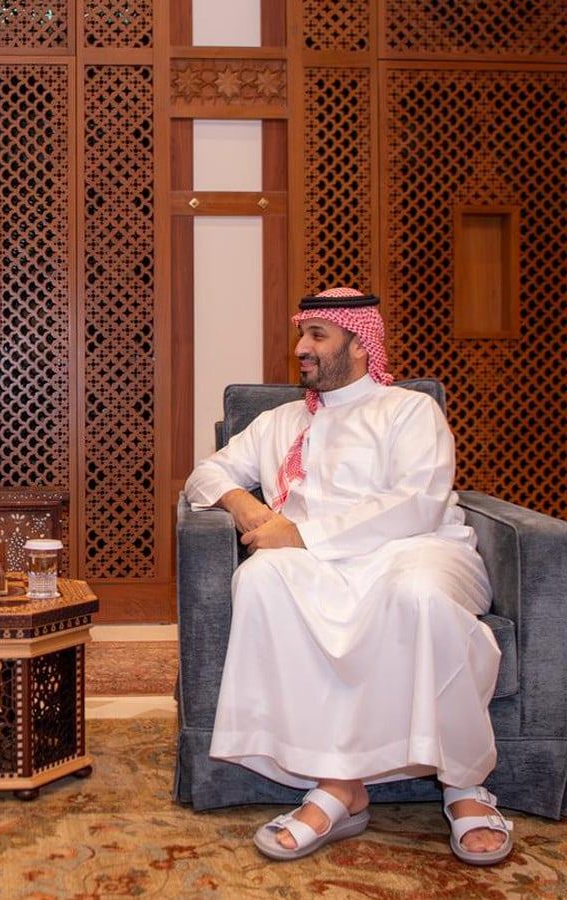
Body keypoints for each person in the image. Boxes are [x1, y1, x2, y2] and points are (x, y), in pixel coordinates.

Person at [183, 287, 513, 866]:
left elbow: (418, 503)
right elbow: (205, 475)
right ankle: (338, 783)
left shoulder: (408, 411)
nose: (301, 348)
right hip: (318, 563)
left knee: (416, 596)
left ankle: (463, 784)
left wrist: (301, 534)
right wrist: (243, 505)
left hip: (416, 549)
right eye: (301, 335)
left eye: (317, 336)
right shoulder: (278, 422)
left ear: (360, 346)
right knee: (261, 579)